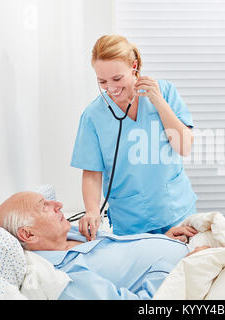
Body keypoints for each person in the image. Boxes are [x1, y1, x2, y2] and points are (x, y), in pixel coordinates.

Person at [71, 34, 197, 241]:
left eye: (117, 79)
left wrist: (158, 102)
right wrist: (92, 211)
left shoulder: (164, 92)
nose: (111, 88)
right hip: (132, 222)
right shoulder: (93, 116)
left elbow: (184, 146)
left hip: (176, 210)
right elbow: (92, 172)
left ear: (134, 67)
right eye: (102, 81)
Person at [0, 191, 208, 300]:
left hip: (190, 249)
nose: (58, 205)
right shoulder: (66, 278)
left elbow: (124, 254)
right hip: (195, 277)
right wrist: (184, 269)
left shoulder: (73, 234)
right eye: (45, 206)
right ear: (28, 234)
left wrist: (163, 240)